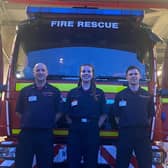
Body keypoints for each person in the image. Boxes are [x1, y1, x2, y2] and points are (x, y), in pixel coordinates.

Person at [15, 63, 63, 168]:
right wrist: (30, 121)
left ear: (47, 73)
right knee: (22, 164)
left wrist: (49, 122)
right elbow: (18, 111)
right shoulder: (25, 91)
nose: (40, 72)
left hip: (45, 134)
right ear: (33, 73)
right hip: (27, 134)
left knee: (45, 164)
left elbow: (59, 112)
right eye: (37, 70)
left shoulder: (54, 91)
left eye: (42, 70)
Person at [65, 64, 108, 168]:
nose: (86, 74)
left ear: (92, 75)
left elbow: (104, 113)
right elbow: (66, 113)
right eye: (83, 71)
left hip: (92, 130)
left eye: (89, 72)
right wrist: (75, 124)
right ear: (80, 74)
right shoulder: (72, 93)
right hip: (75, 131)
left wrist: (96, 126)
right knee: (73, 161)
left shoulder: (99, 93)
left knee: (91, 162)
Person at [113, 65, 155, 168]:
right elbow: (116, 116)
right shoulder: (120, 95)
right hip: (125, 134)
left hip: (142, 135)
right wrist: (127, 126)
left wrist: (140, 125)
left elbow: (150, 116)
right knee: (121, 164)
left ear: (140, 76)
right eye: (130, 74)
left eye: (135, 74)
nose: (133, 76)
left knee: (145, 164)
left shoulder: (147, 95)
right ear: (127, 77)